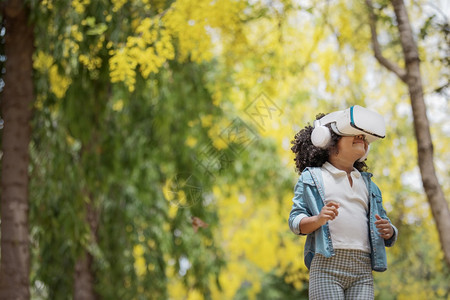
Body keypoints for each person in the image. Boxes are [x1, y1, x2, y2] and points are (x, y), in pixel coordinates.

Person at [288, 106, 398, 300]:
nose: (361, 138)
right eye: (355, 134)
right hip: (326, 266)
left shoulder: (369, 185)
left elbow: (383, 221)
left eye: (364, 137)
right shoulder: (312, 178)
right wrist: (319, 219)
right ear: (327, 140)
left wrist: (389, 231)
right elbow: (296, 222)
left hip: (362, 269)